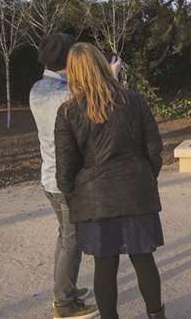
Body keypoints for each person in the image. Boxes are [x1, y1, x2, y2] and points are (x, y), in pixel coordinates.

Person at [55, 43, 165, 319]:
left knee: (105, 266)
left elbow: (66, 168)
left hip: (95, 197)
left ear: (72, 73)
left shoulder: (68, 112)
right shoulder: (134, 100)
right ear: (102, 65)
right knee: (143, 259)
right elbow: (154, 148)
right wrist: (144, 176)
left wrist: (72, 195)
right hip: (135, 189)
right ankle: (156, 315)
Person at [30, 34, 99, 319]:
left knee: (65, 236)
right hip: (65, 180)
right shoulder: (67, 95)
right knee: (73, 240)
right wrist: (111, 77)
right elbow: (96, 107)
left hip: (50, 178)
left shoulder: (38, 88)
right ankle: (64, 303)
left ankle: (64, 288)